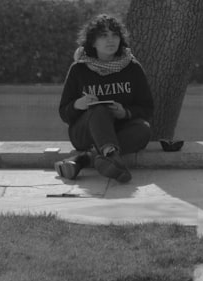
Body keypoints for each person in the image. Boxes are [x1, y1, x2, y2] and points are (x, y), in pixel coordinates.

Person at [54, 13, 154, 183]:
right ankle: (110, 157)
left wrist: (125, 113)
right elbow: (64, 113)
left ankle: (87, 159)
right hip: (84, 133)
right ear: (93, 41)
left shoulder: (132, 67)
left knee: (144, 129)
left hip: (120, 130)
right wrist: (79, 104)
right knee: (99, 110)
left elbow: (147, 108)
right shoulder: (79, 69)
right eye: (104, 35)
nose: (111, 40)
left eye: (115, 35)